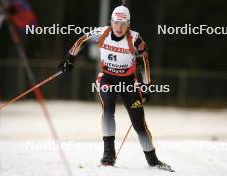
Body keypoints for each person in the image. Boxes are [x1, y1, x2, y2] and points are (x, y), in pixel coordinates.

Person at [58, 5, 173, 172]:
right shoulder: (102, 32)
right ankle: (108, 155)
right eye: (116, 23)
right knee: (108, 109)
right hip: (107, 79)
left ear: (129, 24)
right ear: (111, 22)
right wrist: (70, 57)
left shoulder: (135, 40)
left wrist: (147, 86)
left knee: (139, 123)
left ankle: (153, 160)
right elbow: (82, 40)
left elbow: (144, 62)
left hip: (128, 83)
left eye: (123, 23)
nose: (119, 27)